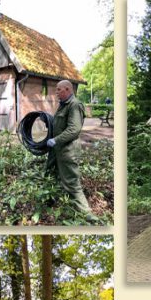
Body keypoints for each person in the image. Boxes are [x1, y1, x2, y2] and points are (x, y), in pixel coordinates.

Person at [44, 80, 98, 223]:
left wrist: (56, 140)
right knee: (50, 173)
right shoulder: (63, 105)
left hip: (67, 151)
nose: (56, 92)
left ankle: (87, 215)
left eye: (59, 90)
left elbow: (74, 129)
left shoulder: (75, 105)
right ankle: (49, 200)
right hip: (56, 150)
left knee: (71, 182)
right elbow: (59, 124)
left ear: (67, 89)